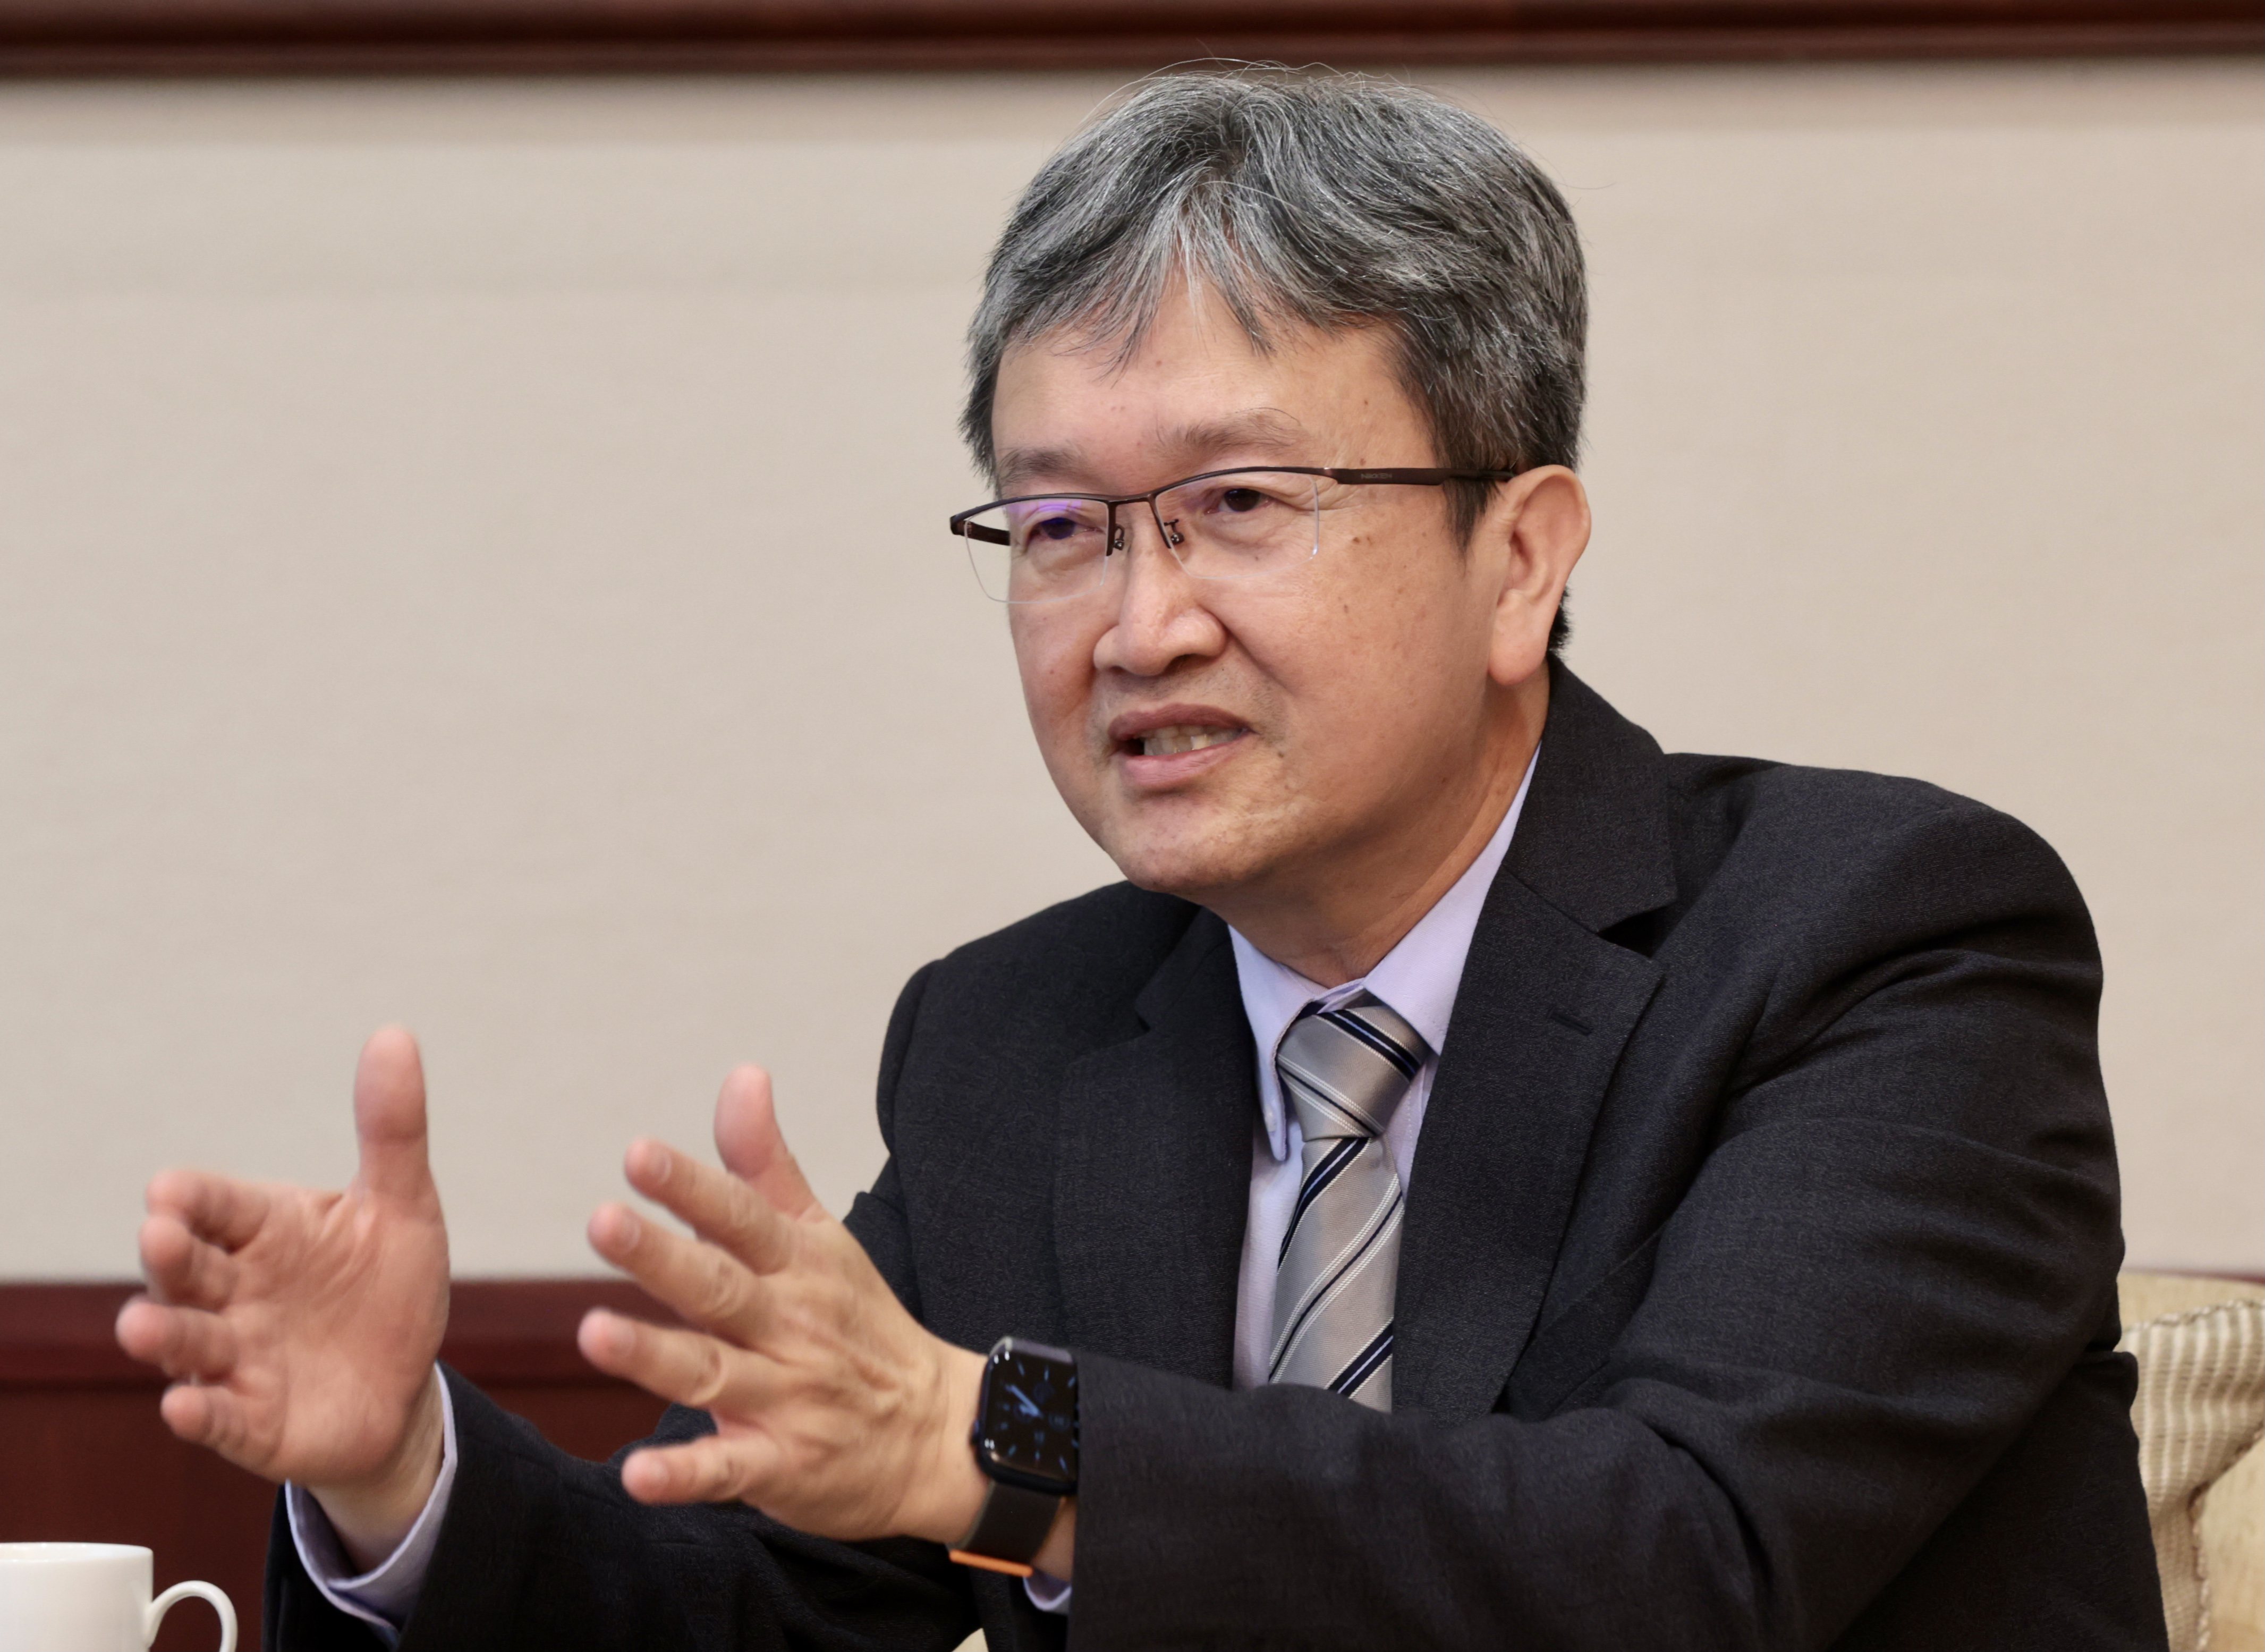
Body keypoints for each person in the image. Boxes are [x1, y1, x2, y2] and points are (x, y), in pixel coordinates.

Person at [114, 68, 2164, 1651]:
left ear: (1521, 558)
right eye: (1061, 529)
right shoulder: (1022, 1040)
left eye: (1238, 504)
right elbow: (745, 1608)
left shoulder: (1879, 940)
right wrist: (402, 1470)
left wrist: (996, 1450)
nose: (1137, 624)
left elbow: (1686, 1559)